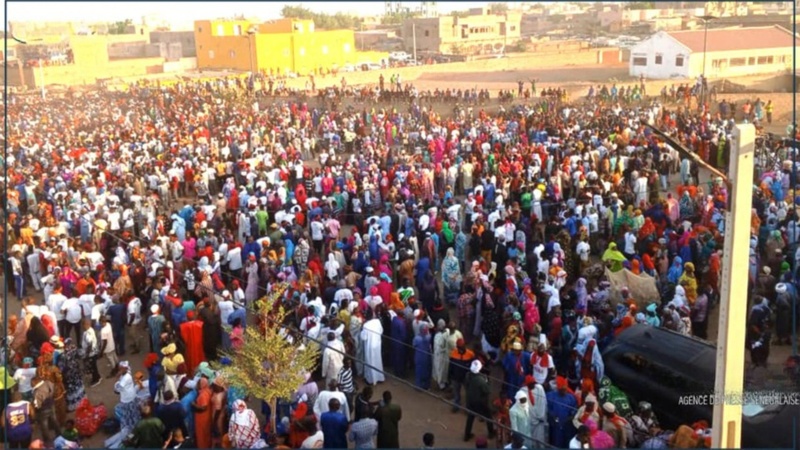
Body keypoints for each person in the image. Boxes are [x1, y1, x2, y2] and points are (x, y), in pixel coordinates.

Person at [464, 360, 495, 442]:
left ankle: (467, 435)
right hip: (480, 402)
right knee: (488, 416)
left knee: (470, 417)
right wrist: (488, 382)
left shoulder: (468, 375)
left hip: (470, 400)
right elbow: (487, 390)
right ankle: (491, 433)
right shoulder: (481, 380)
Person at [31, 375, 60, 445]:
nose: (31, 385)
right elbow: (53, 388)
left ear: (35, 382)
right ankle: (59, 433)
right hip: (51, 405)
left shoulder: (36, 392)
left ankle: (47, 440)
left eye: (31, 383)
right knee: (54, 420)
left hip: (43, 410)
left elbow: (37, 405)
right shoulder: (47, 382)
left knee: (44, 425)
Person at [449, 338, 475, 412]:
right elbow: (451, 366)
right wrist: (450, 375)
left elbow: (473, 367)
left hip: (466, 378)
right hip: (455, 377)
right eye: (459, 347)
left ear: (464, 346)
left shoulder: (470, 354)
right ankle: (456, 405)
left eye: (461, 347)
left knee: (468, 393)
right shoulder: (453, 353)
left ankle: (468, 407)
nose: (460, 348)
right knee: (456, 392)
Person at [361, 310, 385, 385]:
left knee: (370, 362)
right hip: (377, 345)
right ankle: (380, 378)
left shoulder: (366, 325)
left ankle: (370, 380)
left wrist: (361, 330)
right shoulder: (377, 322)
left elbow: (364, 337)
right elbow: (381, 331)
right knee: (378, 360)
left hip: (369, 346)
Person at [192, 377, 213, 449]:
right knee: (206, 434)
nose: (197, 385)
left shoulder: (203, 394)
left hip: (202, 419)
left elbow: (204, 407)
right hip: (206, 417)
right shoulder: (207, 390)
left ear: (202, 384)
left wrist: (194, 405)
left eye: (198, 383)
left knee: (202, 435)